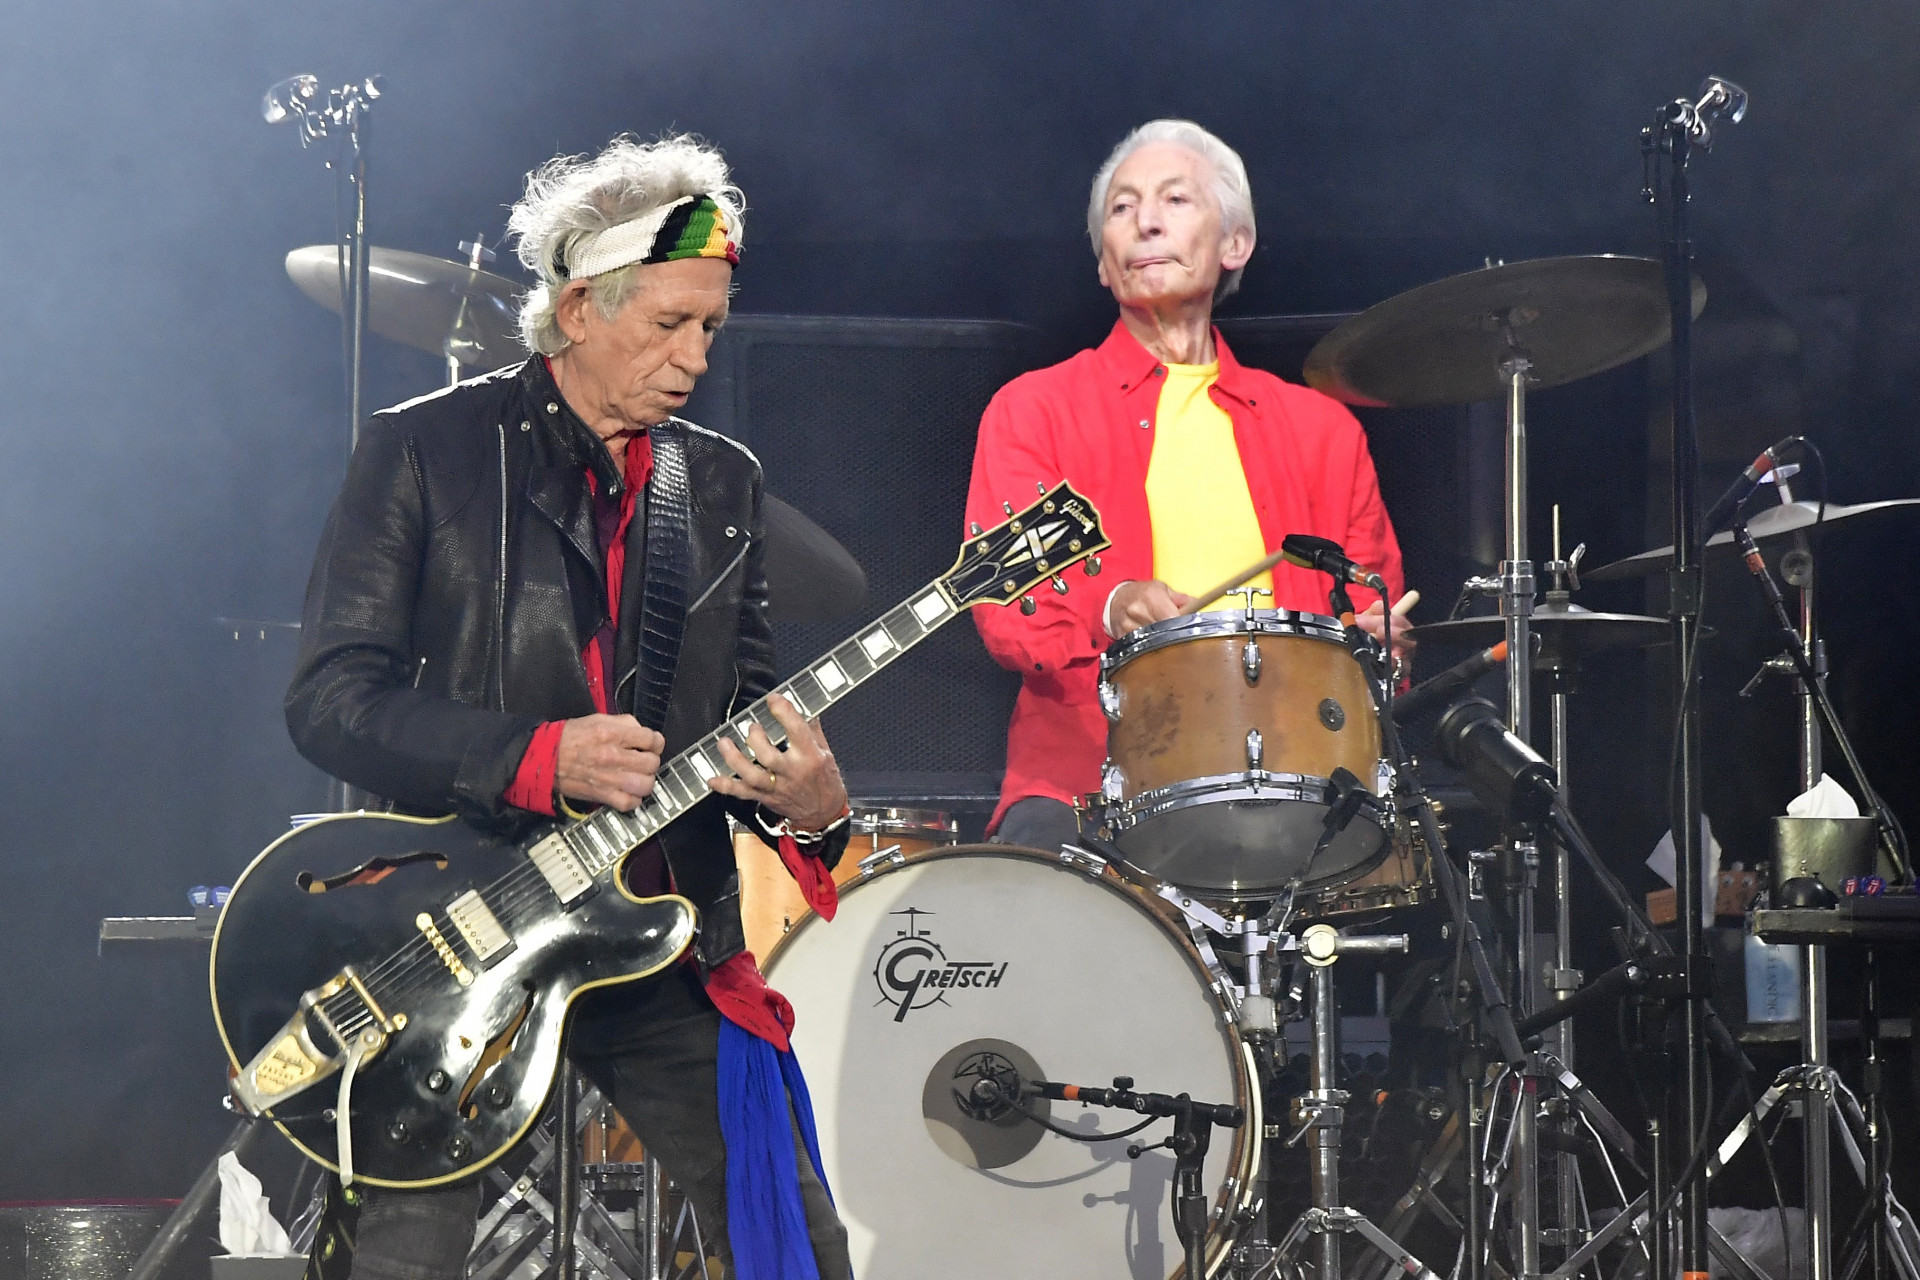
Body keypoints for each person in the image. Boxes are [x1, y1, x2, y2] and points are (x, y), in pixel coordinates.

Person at [285, 135, 852, 1280]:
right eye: (668, 325)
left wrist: (814, 803)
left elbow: (743, 710)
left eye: (710, 329)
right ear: (582, 307)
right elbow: (330, 701)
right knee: (404, 1251)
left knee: (795, 1232)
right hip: (461, 926)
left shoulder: (721, 480)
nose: (694, 358)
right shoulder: (422, 450)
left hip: (654, 928)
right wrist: (531, 756)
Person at [964, 119, 1412, 852]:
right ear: (1104, 266)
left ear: (1234, 244)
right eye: (1122, 207)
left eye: (1175, 199)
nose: (1145, 221)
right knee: (1035, 883)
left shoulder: (1322, 430)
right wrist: (1111, 603)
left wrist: (1378, 644)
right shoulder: (1033, 410)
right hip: (1088, 785)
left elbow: (1370, 614)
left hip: (1294, 785)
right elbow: (1007, 610)